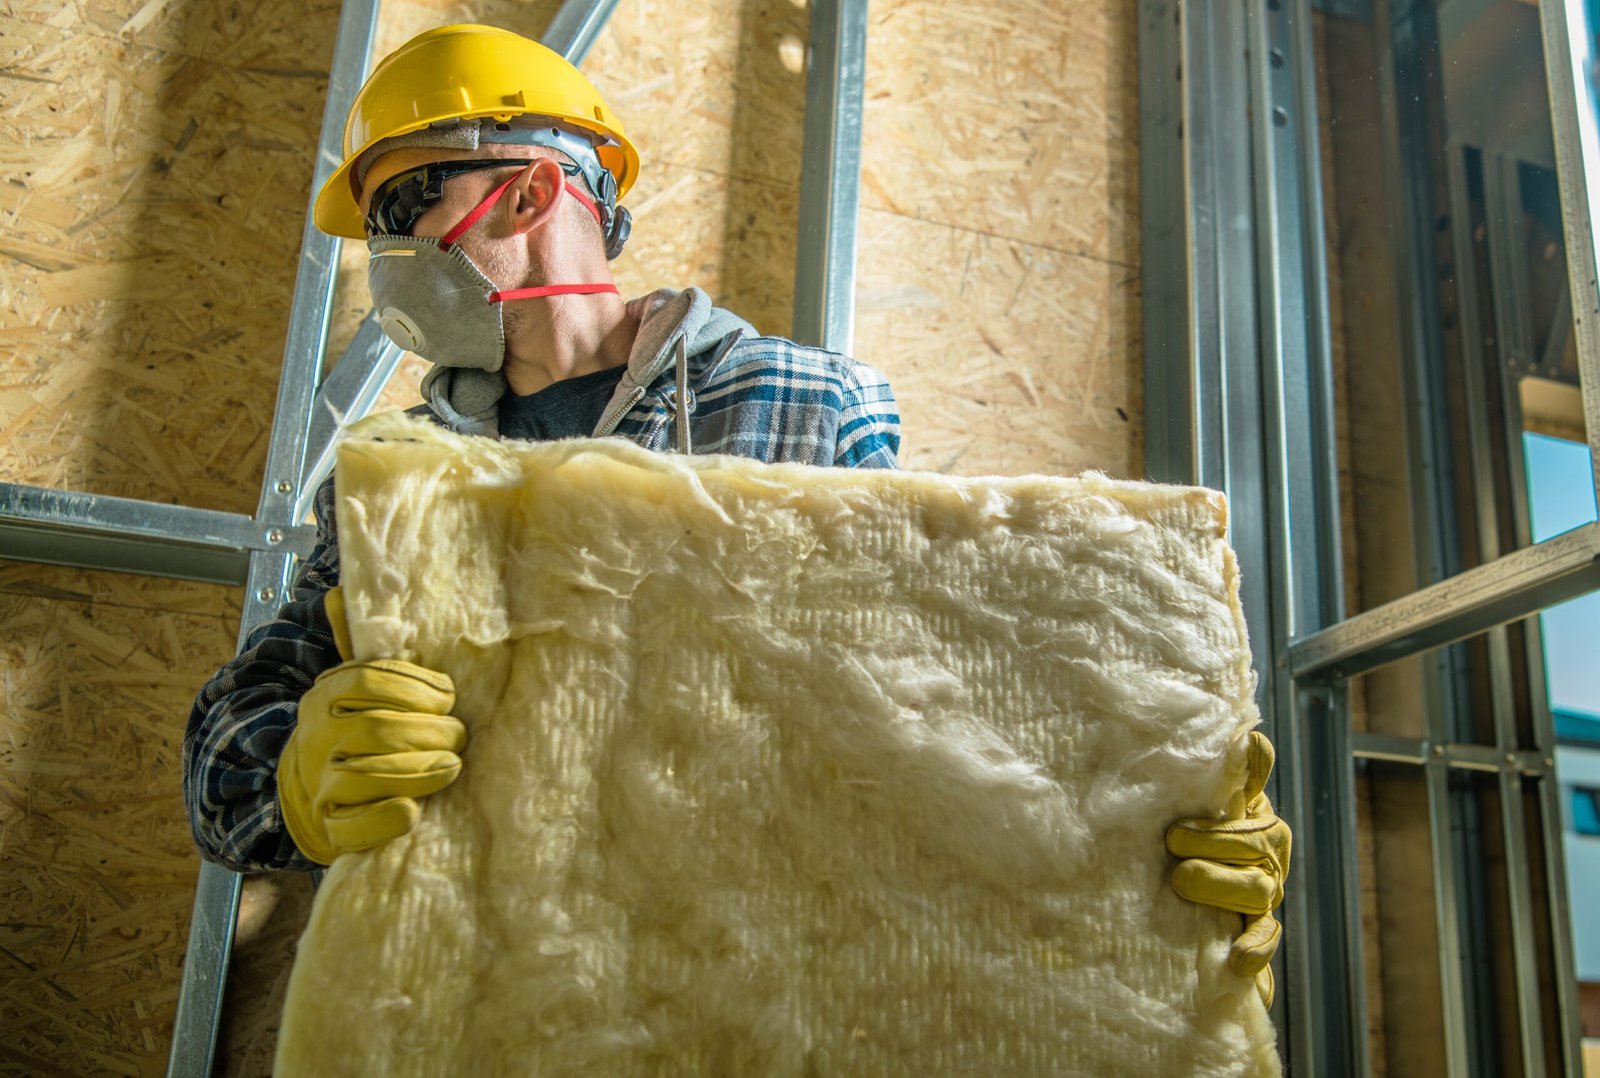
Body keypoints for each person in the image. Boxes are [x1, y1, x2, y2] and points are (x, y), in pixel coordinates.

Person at [183, 23, 1289, 1006]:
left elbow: (935, 690)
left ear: (523, 194)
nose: (383, 261)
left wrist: (1152, 829)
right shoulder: (396, 474)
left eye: (395, 209)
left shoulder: (798, 404)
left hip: (736, 988)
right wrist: (290, 774)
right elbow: (226, 744)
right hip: (486, 1003)